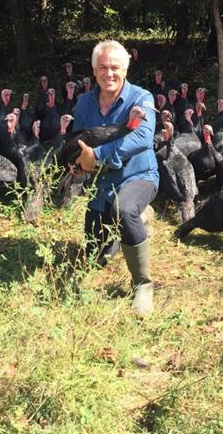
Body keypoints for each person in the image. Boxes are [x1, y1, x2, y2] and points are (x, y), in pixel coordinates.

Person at [72, 40, 159, 316]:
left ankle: (142, 284)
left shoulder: (141, 97)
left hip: (139, 175)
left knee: (124, 209)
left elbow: (143, 137)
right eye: (102, 68)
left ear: (125, 68)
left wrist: (96, 157)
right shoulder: (84, 102)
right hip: (102, 183)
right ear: (94, 70)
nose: (108, 73)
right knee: (96, 258)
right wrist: (77, 165)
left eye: (115, 67)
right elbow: (78, 141)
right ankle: (138, 219)